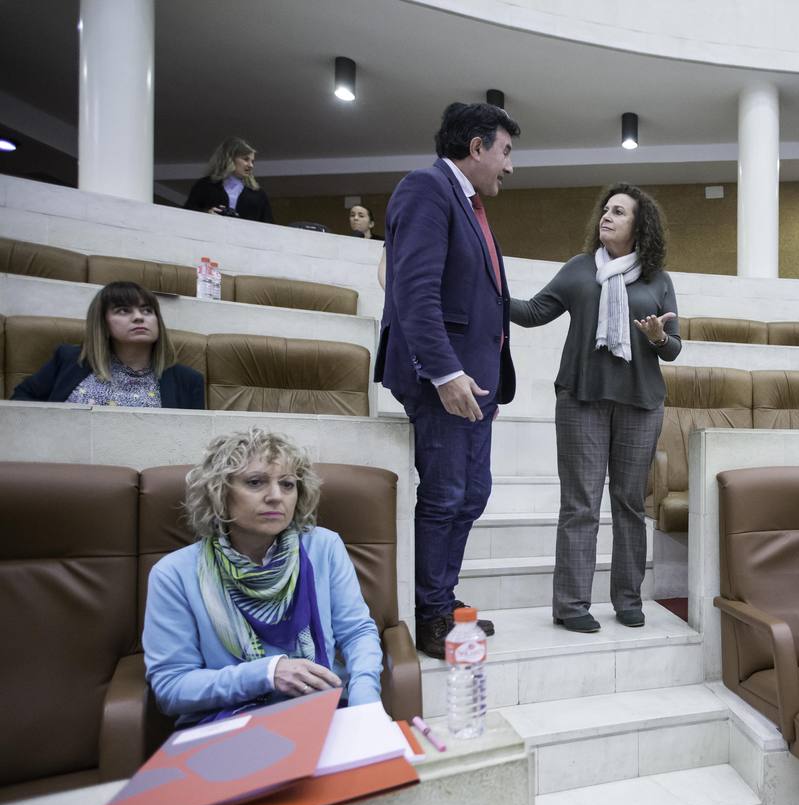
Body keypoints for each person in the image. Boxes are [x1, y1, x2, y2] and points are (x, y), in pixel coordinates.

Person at [375, 102, 519, 655]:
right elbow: (413, 292)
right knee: (445, 495)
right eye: (505, 152)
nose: (510, 166)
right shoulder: (426, 189)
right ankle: (429, 613)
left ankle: (440, 596)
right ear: (477, 147)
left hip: (474, 384)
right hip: (446, 382)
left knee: (471, 493)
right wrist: (444, 372)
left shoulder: (466, 202)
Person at [510, 184, 681, 633]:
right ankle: (571, 605)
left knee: (628, 504)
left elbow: (673, 349)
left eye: (619, 212)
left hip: (641, 404)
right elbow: (531, 313)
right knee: (580, 505)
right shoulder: (579, 270)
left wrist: (659, 338)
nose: (606, 216)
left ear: (638, 226)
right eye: (606, 210)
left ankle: (627, 599)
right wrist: (488, 294)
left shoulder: (658, 280)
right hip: (581, 399)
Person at [143, 428, 384, 725]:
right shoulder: (173, 574)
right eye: (255, 482)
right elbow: (171, 688)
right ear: (219, 492)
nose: (275, 497)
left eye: (287, 484)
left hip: (323, 711)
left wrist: (365, 703)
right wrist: (268, 673)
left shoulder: (324, 546)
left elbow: (357, 632)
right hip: (228, 725)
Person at [11, 281, 204, 408]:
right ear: (102, 322)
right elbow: (21, 402)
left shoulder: (188, 380)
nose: (138, 317)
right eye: (123, 311)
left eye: (147, 311)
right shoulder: (69, 359)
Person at [184, 137, 274, 223]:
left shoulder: (258, 194)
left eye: (252, 161)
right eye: (246, 159)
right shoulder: (205, 186)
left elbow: (269, 226)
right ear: (230, 158)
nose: (251, 165)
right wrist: (206, 214)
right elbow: (186, 215)